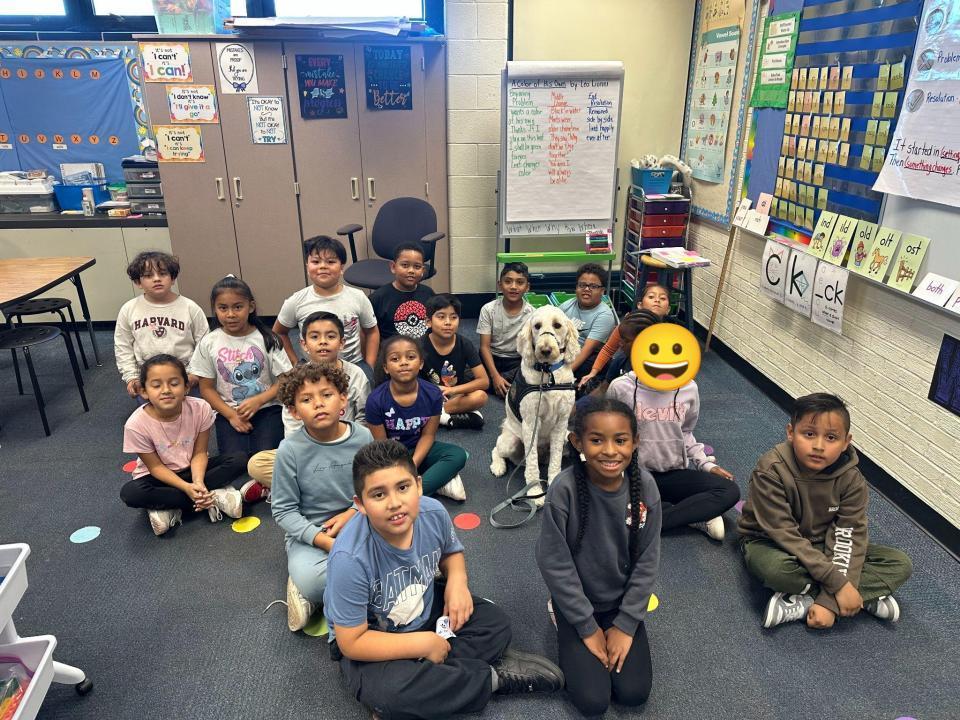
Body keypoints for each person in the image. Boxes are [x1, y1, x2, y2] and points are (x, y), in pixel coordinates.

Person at [324, 440, 565, 720]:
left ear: (419, 485)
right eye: (378, 495)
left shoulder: (433, 512)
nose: (395, 503)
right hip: (374, 638)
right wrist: (421, 645)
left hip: (425, 609)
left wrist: (458, 581)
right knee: (391, 693)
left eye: (403, 487)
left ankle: (429, 682)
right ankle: (491, 679)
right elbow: (351, 642)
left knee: (495, 623)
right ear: (360, 504)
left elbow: (451, 553)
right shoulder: (349, 558)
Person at [738, 393, 912, 629]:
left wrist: (829, 601)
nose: (819, 446)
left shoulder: (852, 479)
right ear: (791, 433)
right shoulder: (771, 469)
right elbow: (783, 532)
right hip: (770, 541)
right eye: (809, 434)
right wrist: (839, 584)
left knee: (899, 564)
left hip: (823, 543)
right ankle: (859, 597)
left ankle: (807, 600)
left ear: (846, 442)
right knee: (776, 571)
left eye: (831, 437)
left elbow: (848, 535)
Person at [537, 398, 660, 716]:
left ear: (634, 442)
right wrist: (586, 627)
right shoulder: (563, 491)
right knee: (593, 700)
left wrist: (627, 623)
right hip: (578, 604)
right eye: (596, 440)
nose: (609, 451)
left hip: (619, 603)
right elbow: (555, 563)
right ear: (576, 442)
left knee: (633, 692)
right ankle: (559, 616)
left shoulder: (645, 487)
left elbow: (647, 560)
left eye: (620, 440)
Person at [606, 323, 739, 540]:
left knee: (729, 491)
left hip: (672, 473)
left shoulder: (689, 388)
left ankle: (651, 522)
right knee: (604, 503)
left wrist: (706, 464)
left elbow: (686, 432)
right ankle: (695, 514)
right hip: (633, 475)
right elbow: (608, 434)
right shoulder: (621, 387)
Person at [271, 362, 374, 632]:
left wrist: (353, 511)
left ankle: (345, 592)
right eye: (306, 399)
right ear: (293, 411)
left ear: (343, 398)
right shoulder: (289, 450)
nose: (318, 404)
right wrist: (322, 540)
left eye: (326, 395)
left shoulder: (362, 436)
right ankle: (307, 590)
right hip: (313, 534)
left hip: (362, 518)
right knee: (315, 581)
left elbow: (374, 487)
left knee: (415, 517)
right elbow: (283, 511)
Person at [120, 354, 246, 536]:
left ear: (186, 387)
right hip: (160, 478)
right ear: (144, 391)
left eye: (174, 383)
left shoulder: (201, 408)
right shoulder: (135, 425)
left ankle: (172, 506)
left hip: (194, 469)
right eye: (156, 385)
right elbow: (155, 468)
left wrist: (197, 482)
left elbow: (200, 453)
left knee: (240, 459)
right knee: (131, 493)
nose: (166, 390)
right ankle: (212, 497)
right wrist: (187, 488)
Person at [246, 311, 370, 493]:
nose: (323, 342)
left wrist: (347, 445)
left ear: (342, 343)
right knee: (257, 463)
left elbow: (363, 417)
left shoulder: (356, 374)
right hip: (309, 451)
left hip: (346, 447)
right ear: (303, 344)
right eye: (314, 336)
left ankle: (298, 489)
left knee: (369, 463)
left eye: (331, 336)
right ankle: (326, 489)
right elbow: (292, 429)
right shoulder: (296, 379)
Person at [188, 276, 292, 457]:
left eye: (237, 307)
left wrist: (259, 400)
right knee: (235, 459)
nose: (230, 314)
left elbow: (285, 380)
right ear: (215, 309)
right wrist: (230, 415)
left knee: (265, 455)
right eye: (223, 308)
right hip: (228, 410)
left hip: (267, 407)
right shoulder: (209, 342)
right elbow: (206, 389)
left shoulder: (267, 338)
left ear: (250, 307)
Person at [366, 336, 468, 501]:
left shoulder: (433, 394)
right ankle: (432, 483)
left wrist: (412, 465)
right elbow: (382, 445)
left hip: (419, 449)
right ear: (386, 367)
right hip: (390, 454)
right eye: (395, 359)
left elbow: (428, 435)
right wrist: (399, 468)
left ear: (420, 363)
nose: (404, 362)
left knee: (457, 455)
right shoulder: (375, 400)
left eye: (410, 357)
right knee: (371, 474)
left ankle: (411, 492)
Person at [274, 235, 379, 376]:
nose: (323, 266)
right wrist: (294, 363)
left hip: (353, 367)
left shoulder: (358, 297)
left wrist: (369, 366)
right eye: (316, 261)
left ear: (341, 268)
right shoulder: (296, 301)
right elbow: (279, 332)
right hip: (313, 369)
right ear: (307, 266)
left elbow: (371, 331)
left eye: (330, 262)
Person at [114, 251, 208, 398]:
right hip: (148, 379)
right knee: (156, 419)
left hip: (185, 377)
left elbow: (204, 344)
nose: (156, 279)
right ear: (138, 282)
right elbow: (122, 346)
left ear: (173, 278)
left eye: (163, 274)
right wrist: (131, 377)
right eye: (148, 275)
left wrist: (195, 374)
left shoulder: (190, 308)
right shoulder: (129, 309)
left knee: (192, 417)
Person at [578, 283, 670, 391]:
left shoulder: (669, 334)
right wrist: (593, 373)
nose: (657, 300)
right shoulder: (628, 325)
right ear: (639, 305)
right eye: (651, 297)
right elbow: (608, 349)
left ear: (668, 309)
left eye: (662, 298)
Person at [421, 294, 488, 430]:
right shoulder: (419, 346)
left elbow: (484, 381)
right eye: (441, 317)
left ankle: (439, 415)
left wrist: (451, 390)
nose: (448, 322)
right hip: (427, 395)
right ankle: (452, 415)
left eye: (453, 317)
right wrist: (434, 390)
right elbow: (410, 381)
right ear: (428, 322)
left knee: (480, 396)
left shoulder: (465, 343)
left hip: (453, 395)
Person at [576, 310, 660, 412]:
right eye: (621, 338)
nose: (620, 343)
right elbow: (602, 389)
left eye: (626, 340)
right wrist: (574, 410)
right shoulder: (621, 359)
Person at [477, 262, 534, 397]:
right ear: (500, 285)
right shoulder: (488, 309)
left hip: (516, 360)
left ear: (527, 287)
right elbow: (484, 347)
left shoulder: (532, 314)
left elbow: (530, 351)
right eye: (508, 281)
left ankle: (494, 384)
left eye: (520, 282)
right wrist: (495, 376)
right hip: (491, 357)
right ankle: (499, 383)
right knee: (466, 371)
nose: (513, 287)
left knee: (530, 372)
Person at [560, 263, 618, 381]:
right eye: (582, 285)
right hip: (561, 351)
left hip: (583, 357)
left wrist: (562, 377)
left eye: (593, 286)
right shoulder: (567, 305)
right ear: (576, 287)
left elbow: (587, 350)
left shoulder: (604, 315)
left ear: (602, 291)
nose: (586, 289)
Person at [370, 241, 435, 340]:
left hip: (422, 351)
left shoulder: (429, 294)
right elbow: (370, 333)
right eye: (405, 265)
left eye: (417, 267)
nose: (411, 271)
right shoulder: (378, 298)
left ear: (423, 271)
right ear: (393, 267)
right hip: (392, 352)